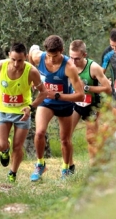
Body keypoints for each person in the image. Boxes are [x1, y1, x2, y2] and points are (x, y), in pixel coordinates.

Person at [0, 43, 47, 182]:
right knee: (1, 145)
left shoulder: (31, 71)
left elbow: (44, 92)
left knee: (18, 147)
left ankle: (12, 173)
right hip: (3, 110)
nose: (16, 63)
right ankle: (5, 150)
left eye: (20, 60)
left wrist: (31, 107)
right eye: (13, 59)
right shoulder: (2, 65)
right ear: (9, 56)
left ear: (25, 57)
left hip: (22, 112)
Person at [28, 35, 85, 181]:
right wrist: (35, 80)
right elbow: (31, 52)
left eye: (56, 55)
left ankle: (66, 169)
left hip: (64, 103)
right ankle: (40, 165)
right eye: (49, 55)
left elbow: (80, 96)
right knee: (39, 132)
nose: (52, 59)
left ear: (62, 51)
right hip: (46, 101)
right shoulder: (38, 57)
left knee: (65, 140)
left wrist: (58, 96)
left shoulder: (69, 67)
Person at [67, 40, 112, 172]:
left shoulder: (94, 67)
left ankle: (95, 167)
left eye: (77, 59)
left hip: (92, 104)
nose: (74, 62)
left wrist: (86, 87)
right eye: (71, 58)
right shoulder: (67, 65)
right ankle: (69, 167)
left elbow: (108, 88)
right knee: (66, 135)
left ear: (84, 55)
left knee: (91, 137)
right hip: (76, 103)